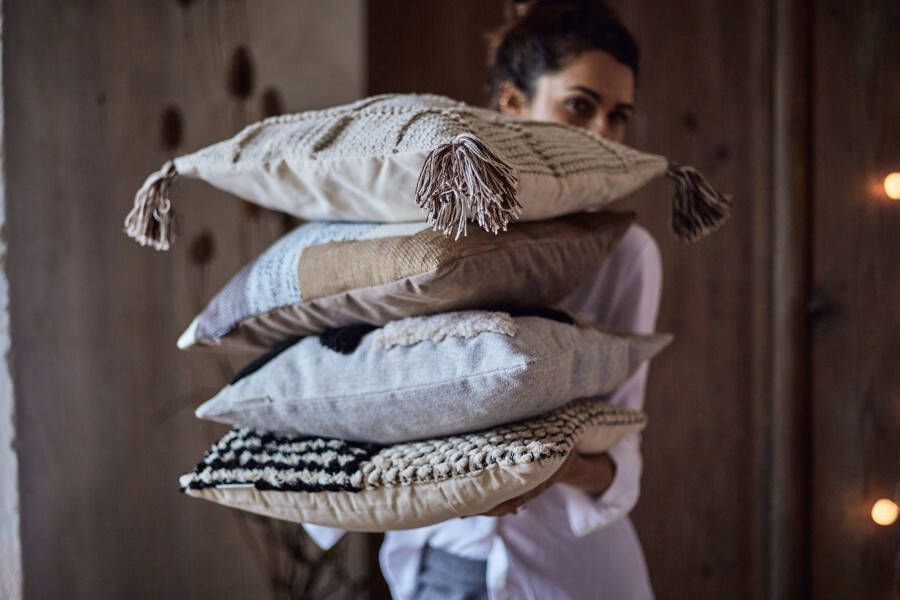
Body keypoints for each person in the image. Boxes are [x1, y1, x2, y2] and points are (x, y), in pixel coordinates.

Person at [305, 2, 661, 598]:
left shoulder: (628, 255)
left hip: (569, 572)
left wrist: (551, 468)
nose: (603, 134)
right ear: (512, 103)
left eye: (618, 116)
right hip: (435, 564)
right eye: (580, 106)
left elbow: (621, 448)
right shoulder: (424, 241)